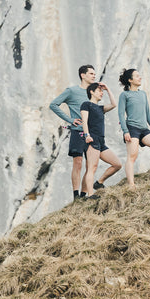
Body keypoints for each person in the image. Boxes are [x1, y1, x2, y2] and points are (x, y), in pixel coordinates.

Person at [49, 64, 96, 199]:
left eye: (94, 74)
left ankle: (84, 194)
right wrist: (70, 120)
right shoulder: (72, 91)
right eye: (91, 73)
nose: (94, 76)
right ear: (83, 75)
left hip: (92, 132)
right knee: (78, 162)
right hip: (78, 131)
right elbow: (53, 104)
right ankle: (76, 196)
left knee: (90, 165)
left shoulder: (94, 92)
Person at [117, 68, 150, 185]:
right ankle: (131, 185)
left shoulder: (142, 94)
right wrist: (125, 131)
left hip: (144, 129)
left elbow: (148, 112)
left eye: (139, 76)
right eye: (137, 76)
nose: (140, 78)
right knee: (132, 156)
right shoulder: (124, 95)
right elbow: (120, 114)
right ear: (130, 80)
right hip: (131, 129)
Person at [79, 82, 122, 198]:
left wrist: (107, 88)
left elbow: (113, 104)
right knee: (92, 167)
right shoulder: (86, 104)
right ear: (92, 92)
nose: (101, 93)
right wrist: (87, 135)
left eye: (102, 91)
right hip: (91, 139)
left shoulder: (100, 108)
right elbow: (84, 120)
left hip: (101, 142)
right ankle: (90, 194)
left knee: (117, 164)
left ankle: (99, 183)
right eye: (99, 91)